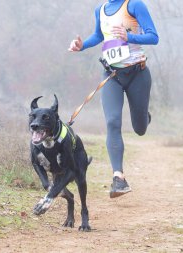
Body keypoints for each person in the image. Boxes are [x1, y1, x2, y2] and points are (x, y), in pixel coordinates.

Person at [68, 0, 159, 198]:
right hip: (111, 75)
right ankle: (119, 178)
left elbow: (154, 37)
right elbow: (99, 36)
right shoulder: (99, 10)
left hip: (138, 73)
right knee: (112, 122)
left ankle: (144, 115)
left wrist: (130, 36)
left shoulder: (134, 5)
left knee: (140, 128)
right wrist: (82, 45)